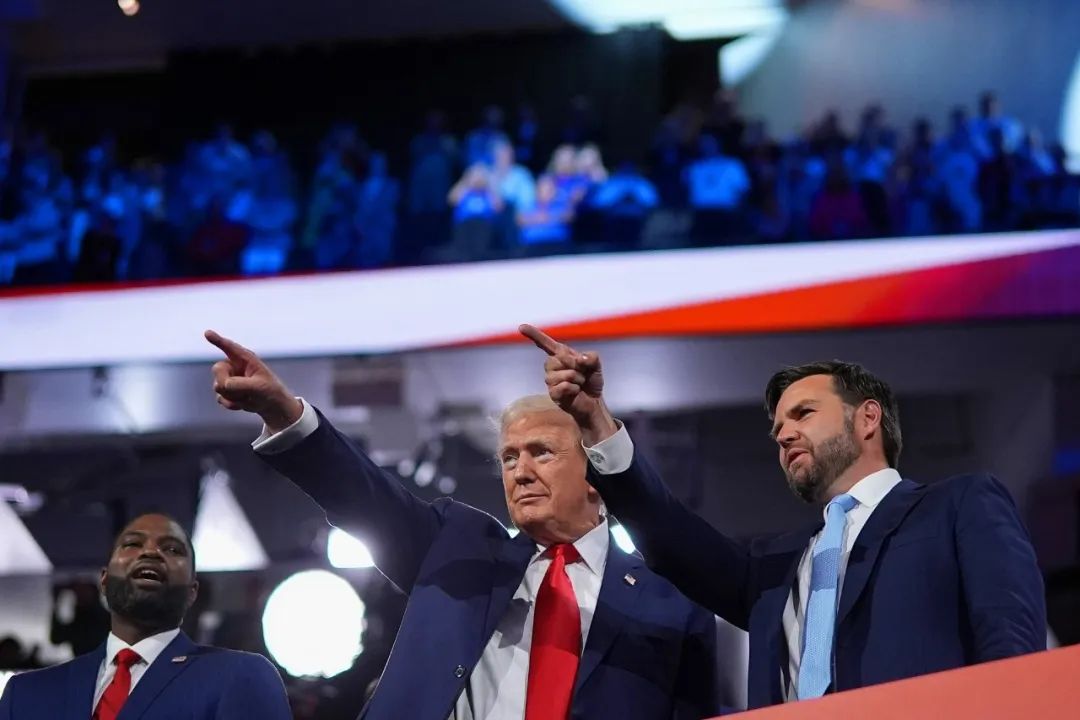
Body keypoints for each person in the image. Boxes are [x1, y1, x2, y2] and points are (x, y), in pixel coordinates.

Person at [519, 324, 1046, 710]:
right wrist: (595, 421)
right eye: (776, 429)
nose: (784, 434)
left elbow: (1012, 651)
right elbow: (668, 533)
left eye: (803, 414)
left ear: (868, 418)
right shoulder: (769, 570)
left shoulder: (959, 506)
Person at [204, 331, 720, 720]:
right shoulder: (459, 550)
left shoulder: (671, 597)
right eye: (510, 457)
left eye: (541, 452)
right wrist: (285, 413)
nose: (520, 471)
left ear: (596, 474)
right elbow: (363, 496)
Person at [0, 513, 291, 720]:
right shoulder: (26, 695)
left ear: (192, 591)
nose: (151, 552)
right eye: (132, 544)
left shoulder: (239, 676)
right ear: (104, 580)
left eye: (172, 549)